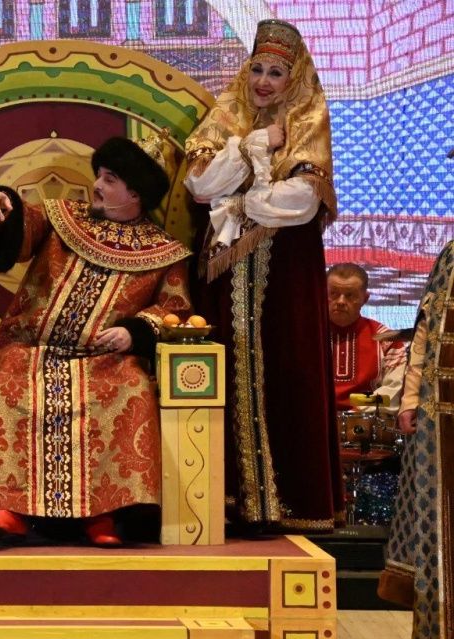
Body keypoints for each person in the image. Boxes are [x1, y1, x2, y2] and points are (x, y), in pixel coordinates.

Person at [0, 134, 192, 547]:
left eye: (109, 179)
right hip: (30, 351)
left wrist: (135, 330)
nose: (97, 185)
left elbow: (174, 309)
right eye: (99, 175)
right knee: (3, 382)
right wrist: (2, 206)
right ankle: (10, 511)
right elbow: (21, 229)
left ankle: (102, 516)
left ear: (135, 193)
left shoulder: (165, 252)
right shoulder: (62, 218)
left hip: (103, 361)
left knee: (131, 389)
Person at [184, 19, 341, 532]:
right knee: (226, 366)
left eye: (277, 73)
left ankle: (289, 503)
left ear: (293, 78)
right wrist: (253, 143)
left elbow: (302, 199)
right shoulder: (226, 113)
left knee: (288, 368)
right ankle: (231, 500)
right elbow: (201, 185)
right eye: (258, 70)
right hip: (226, 273)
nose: (264, 82)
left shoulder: (308, 118)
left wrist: (244, 199)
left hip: (285, 274)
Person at [378, 240, 454, 639]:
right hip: (438, 413)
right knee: (438, 522)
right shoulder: (450, 255)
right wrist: (409, 399)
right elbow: (425, 330)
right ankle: (445, 633)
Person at [327, 262, 406, 413]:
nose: (341, 301)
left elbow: (392, 393)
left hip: (364, 423)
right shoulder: (305, 336)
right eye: (333, 294)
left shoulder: (386, 339)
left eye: (350, 295)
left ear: (365, 298)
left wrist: (355, 407)